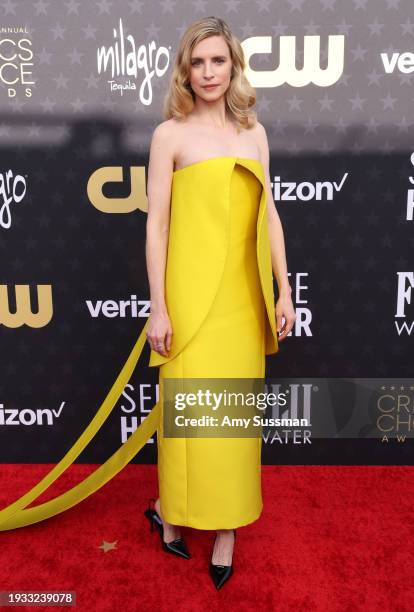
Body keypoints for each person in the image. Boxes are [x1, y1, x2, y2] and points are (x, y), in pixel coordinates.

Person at [144, 16, 296, 589]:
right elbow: (157, 226)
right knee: (188, 420)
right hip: (187, 296)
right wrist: (158, 305)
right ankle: (169, 511)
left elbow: (269, 214)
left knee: (231, 420)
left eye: (218, 61)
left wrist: (283, 287)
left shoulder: (255, 133)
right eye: (198, 61)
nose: (208, 72)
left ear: (234, 65)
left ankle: (227, 528)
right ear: (186, 69)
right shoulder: (170, 136)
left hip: (243, 297)